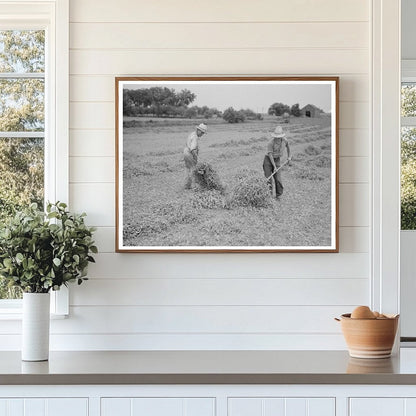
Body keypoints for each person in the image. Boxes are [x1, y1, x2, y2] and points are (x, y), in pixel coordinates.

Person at [263, 125, 291, 197]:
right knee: (268, 179)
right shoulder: (270, 143)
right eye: (276, 137)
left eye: (279, 137)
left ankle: (278, 195)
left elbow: (288, 147)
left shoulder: (285, 140)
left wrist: (289, 157)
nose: (277, 138)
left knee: (278, 179)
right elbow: (270, 155)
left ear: (281, 136)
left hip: (277, 159)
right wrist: (274, 166)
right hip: (268, 160)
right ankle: (269, 196)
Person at [183, 123, 207, 189]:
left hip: (185, 152)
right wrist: (196, 157)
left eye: (203, 133)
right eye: (202, 133)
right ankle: (194, 187)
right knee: (193, 169)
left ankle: (187, 185)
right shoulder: (195, 137)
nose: (202, 135)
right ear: (198, 130)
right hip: (189, 153)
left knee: (188, 169)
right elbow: (193, 149)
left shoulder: (192, 134)